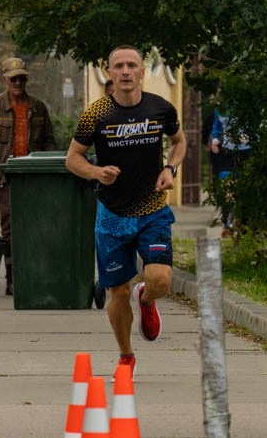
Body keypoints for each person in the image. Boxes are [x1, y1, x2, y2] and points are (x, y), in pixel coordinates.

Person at [65, 45, 187, 378]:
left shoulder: (160, 108)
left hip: (153, 209)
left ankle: (147, 299)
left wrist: (170, 170)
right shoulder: (97, 113)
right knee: (117, 291)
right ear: (109, 72)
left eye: (132, 65)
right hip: (112, 215)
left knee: (160, 279)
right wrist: (96, 172)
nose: (125, 71)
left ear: (142, 71)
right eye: (118, 66)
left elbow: (179, 141)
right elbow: (72, 158)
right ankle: (126, 356)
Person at [0, 56, 56, 295]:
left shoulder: (38, 107)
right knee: (10, 225)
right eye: (14, 78)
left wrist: (50, 163)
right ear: (5, 80)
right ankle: (13, 279)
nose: (18, 82)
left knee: (33, 226)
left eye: (22, 78)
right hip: (3, 176)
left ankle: (34, 273)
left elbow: (49, 139)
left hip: (33, 176)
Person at [208, 107, 252, 235]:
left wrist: (252, 137)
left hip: (247, 151)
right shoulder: (220, 108)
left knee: (243, 188)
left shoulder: (247, 103)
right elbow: (217, 126)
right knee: (227, 184)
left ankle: (243, 223)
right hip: (227, 151)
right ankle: (228, 223)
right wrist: (215, 140)